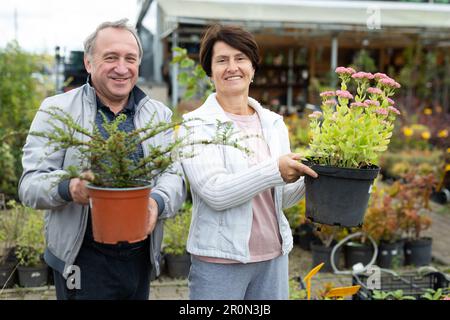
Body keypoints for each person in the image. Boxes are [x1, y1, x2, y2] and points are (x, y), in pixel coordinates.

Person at [18, 19, 186, 300]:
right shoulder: (56, 111)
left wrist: (156, 204)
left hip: (139, 259)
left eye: (129, 59)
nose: (122, 68)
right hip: (81, 261)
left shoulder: (159, 115)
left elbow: (174, 175)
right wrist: (70, 187)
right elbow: (30, 184)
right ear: (88, 63)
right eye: (110, 58)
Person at [179, 24, 318, 300]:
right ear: (210, 72)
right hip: (220, 262)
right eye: (222, 60)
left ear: (253, 67)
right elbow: (216, 192)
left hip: (273, 258)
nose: (232, 67)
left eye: (240, 58)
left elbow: (280, 197)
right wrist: (274, 170)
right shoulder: (195, 125)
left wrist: (312, 177)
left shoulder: (273, 123)